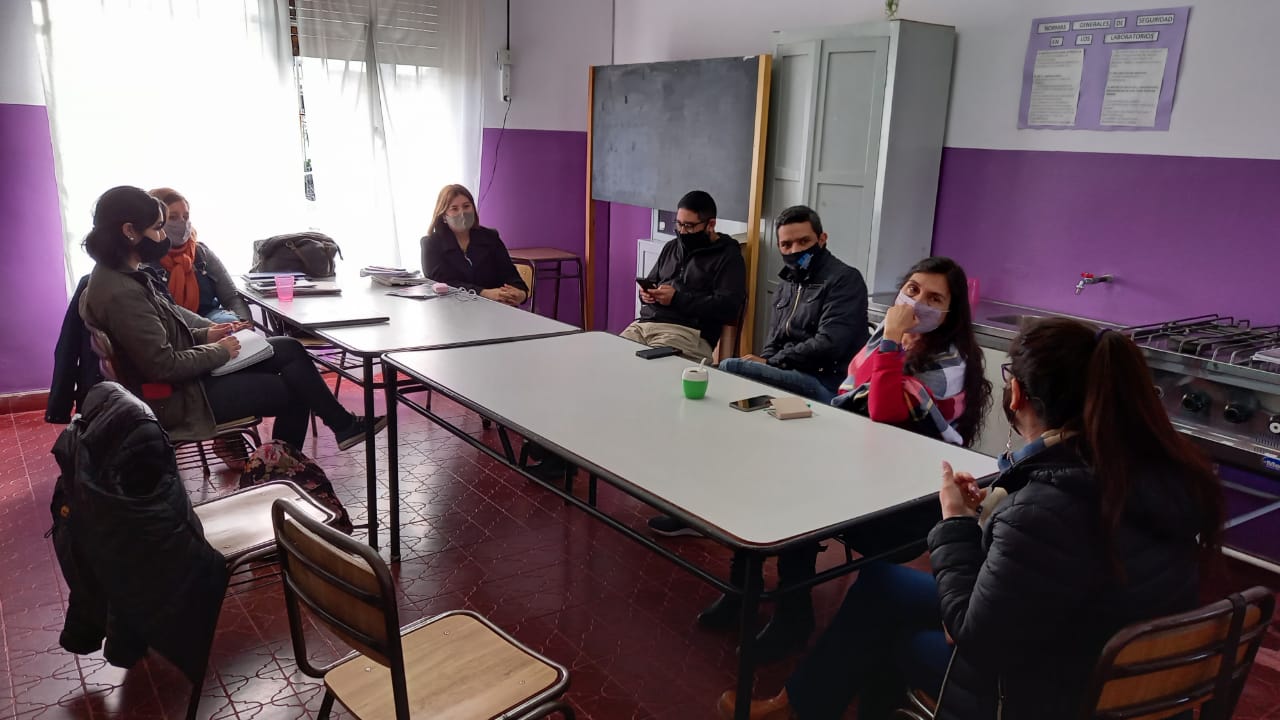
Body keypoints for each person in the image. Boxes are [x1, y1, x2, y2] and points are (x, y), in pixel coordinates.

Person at [720, 318, 1224, 720]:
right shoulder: (1165, 470)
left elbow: (971, 633)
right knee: (881, 584)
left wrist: (956, 522)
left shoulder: (1047, 508)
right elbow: (1062, 565)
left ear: (1018, 395)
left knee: (892, 637)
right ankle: (799, 706)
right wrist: (992, 513)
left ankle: (812, 705)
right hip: (1127, 662)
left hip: (1045, 690)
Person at [690, 257, 992, 664]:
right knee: (763, 470)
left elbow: (883, 409)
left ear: (950, 313)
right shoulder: (892, 339)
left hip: (902, 500)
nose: (917, 302)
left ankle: (793, 619)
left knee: (796, 498)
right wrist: (889, 342)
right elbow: (855, 386)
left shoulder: (949, 362)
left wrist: (890, 338)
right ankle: (742, 592)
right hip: (861, 461)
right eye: (913, 289)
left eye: (933, 298)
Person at [79, 186, 385, 453]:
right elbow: (163, 364)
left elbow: (166, 327)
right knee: (295, 389)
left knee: (288, 348)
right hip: (178, 398)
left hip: (185, 381)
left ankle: (342, 426)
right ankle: (283, 471)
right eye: (158, 228)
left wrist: (208, 334)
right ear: (130, 231)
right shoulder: (120, 291)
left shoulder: (121, 274)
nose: (162, 237)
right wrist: (221, 350)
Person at [718, 205, 868, 403]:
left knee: (731, 367)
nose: (795, 250)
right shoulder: (786, 284)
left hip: (827, 383)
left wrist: (771, 362)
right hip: (789, 373)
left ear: (822, 239)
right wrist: (766, 363)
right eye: (786, 245)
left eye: (804, 241)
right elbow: (773, 341)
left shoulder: (845, 279)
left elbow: (829, 345)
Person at [621, 190, 747, 363]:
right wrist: (646, 295)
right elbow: (652, 283)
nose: (682, 231)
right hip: (644, 325)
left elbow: (728, 307)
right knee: (612, 359)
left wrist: (677, 299)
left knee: (646, 369)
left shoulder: (728, 257)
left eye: (688, 226)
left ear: (710, 224)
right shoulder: (671, 247)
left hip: (687, 333)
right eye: (678, 224)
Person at [144, 187, 251, 323]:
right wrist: (209, 330)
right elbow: (164, 309)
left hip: (211, 318)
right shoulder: (144, 259)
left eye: (186, 216)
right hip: (171, 324)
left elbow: (231, 297)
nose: (182, 222)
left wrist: (244, 324)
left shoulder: (201, 253)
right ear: (156, 221)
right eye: (173, 217)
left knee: (228, 322)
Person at [420, 184, 528, 305]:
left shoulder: (491, 237)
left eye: (466, 206)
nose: (462, 213)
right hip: (452, 311)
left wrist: (520, 294)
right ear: (444, 216)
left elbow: (511, 276)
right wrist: (483, 293)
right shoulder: (431, 243)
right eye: (454, 209)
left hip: (494, 311)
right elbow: (441, 283)